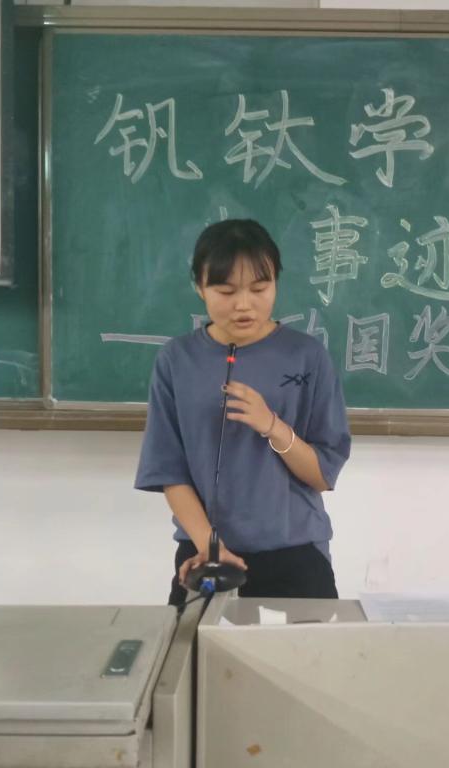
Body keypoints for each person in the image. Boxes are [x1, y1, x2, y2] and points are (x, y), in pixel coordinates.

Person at [135, 219, 351, 605]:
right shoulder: (176, 360)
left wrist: (271, 426)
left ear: (276, 283)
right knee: (193, 646)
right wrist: (210, 546)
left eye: (259, 288)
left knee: (306, 646)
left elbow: (322, 475)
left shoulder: (307, 356)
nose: (244, 304)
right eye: (226, 291)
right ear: (199, 287)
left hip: (295, 555)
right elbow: (170, 472)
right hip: (205, 554)